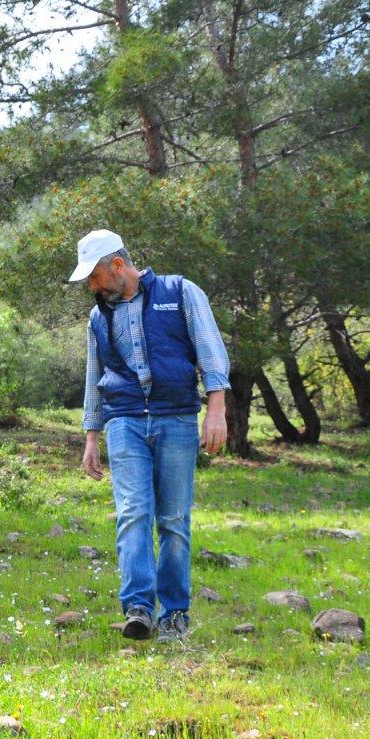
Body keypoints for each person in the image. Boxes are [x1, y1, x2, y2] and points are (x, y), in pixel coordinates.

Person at [72, 229, 229, 643]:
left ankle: (175, 613)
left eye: (94, 276)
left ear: (118, 265)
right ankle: (139, 607)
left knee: (174, 519)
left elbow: (211, 350)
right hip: (123, 421)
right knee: (132, 512)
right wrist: (91, 435)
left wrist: (216, 410)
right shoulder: (97, 317)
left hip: (176, 418)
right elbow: (94, 377)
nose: (91, 285)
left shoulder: (180, 293)